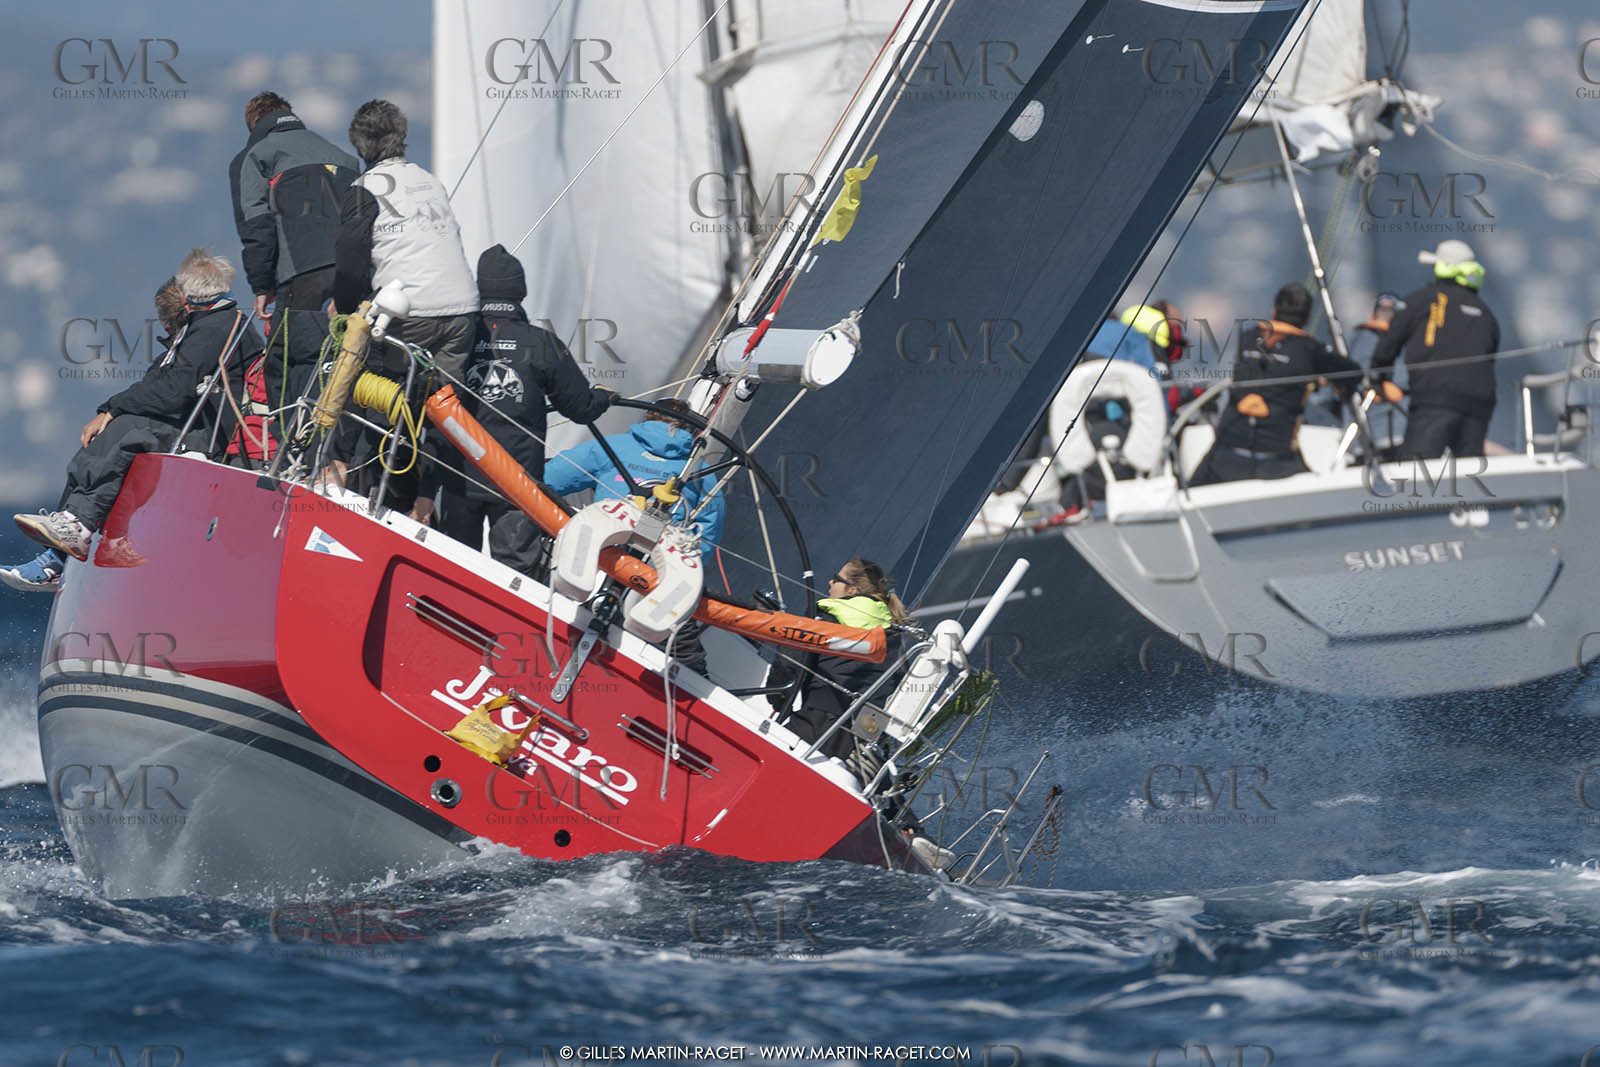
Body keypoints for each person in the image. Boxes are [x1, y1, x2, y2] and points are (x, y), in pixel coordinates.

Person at [3, 252, 262, 590]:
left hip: (208, 434)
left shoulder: (217, 327)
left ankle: (77, 529)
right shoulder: (203, 327)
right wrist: (111, 407)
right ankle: (60, 549)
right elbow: (155, 385)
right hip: (193, 423)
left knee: (129, 429)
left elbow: (174, 392)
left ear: (186, 297)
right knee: (117, 429)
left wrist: (114, 410)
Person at [332, 98, 478, 518]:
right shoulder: (430, 181)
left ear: (360, 146)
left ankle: (352, 484)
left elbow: (351, 262)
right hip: (463, 310)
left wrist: (345, 313)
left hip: (411, 313)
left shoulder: (364, 190)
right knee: (441, 408)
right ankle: (425, 502)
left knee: (369, 394)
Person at [441, 245, 612, 572]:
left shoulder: (457, 337)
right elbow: (580, 408)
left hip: (458, 478)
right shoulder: (539, 342)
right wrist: (604, 397)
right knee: (516, 576)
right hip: (515, 481)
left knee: (453, 568)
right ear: (520, 292)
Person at [1190, 282, 1361, 485]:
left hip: (1225, 458)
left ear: (1274, 311)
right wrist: (1317, 381)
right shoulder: (1311, 350)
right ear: (1306, 319)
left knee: (1192, 486)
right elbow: (1354, 374)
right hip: (1277, 464)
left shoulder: (1246, 338)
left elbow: (1268, 368)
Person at [229, 91, 359, 320]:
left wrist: (262, 286)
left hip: (301, 275)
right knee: (351, 350)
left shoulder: (255, 155)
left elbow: (257, 226)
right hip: (355, 273)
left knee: (291, 351)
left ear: (255, 124)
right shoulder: (346, 159)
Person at [771, 558, 908, 776]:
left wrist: (778, 700)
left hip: (820, 719)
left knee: (778, 772)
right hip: (867, 731)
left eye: (836, 578)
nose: (829, 582)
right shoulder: (893, 632)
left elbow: (789, 662)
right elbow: (898, 683)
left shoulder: (827, 616)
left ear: (851, 589)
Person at [1370, 239, 1500, 460]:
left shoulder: (1422, 300)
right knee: (1468, 476)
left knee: (1417, 473)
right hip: (1479, 404)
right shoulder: (1486, 314)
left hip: (1435, 400)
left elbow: (1388, 344)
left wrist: (1379, 377)